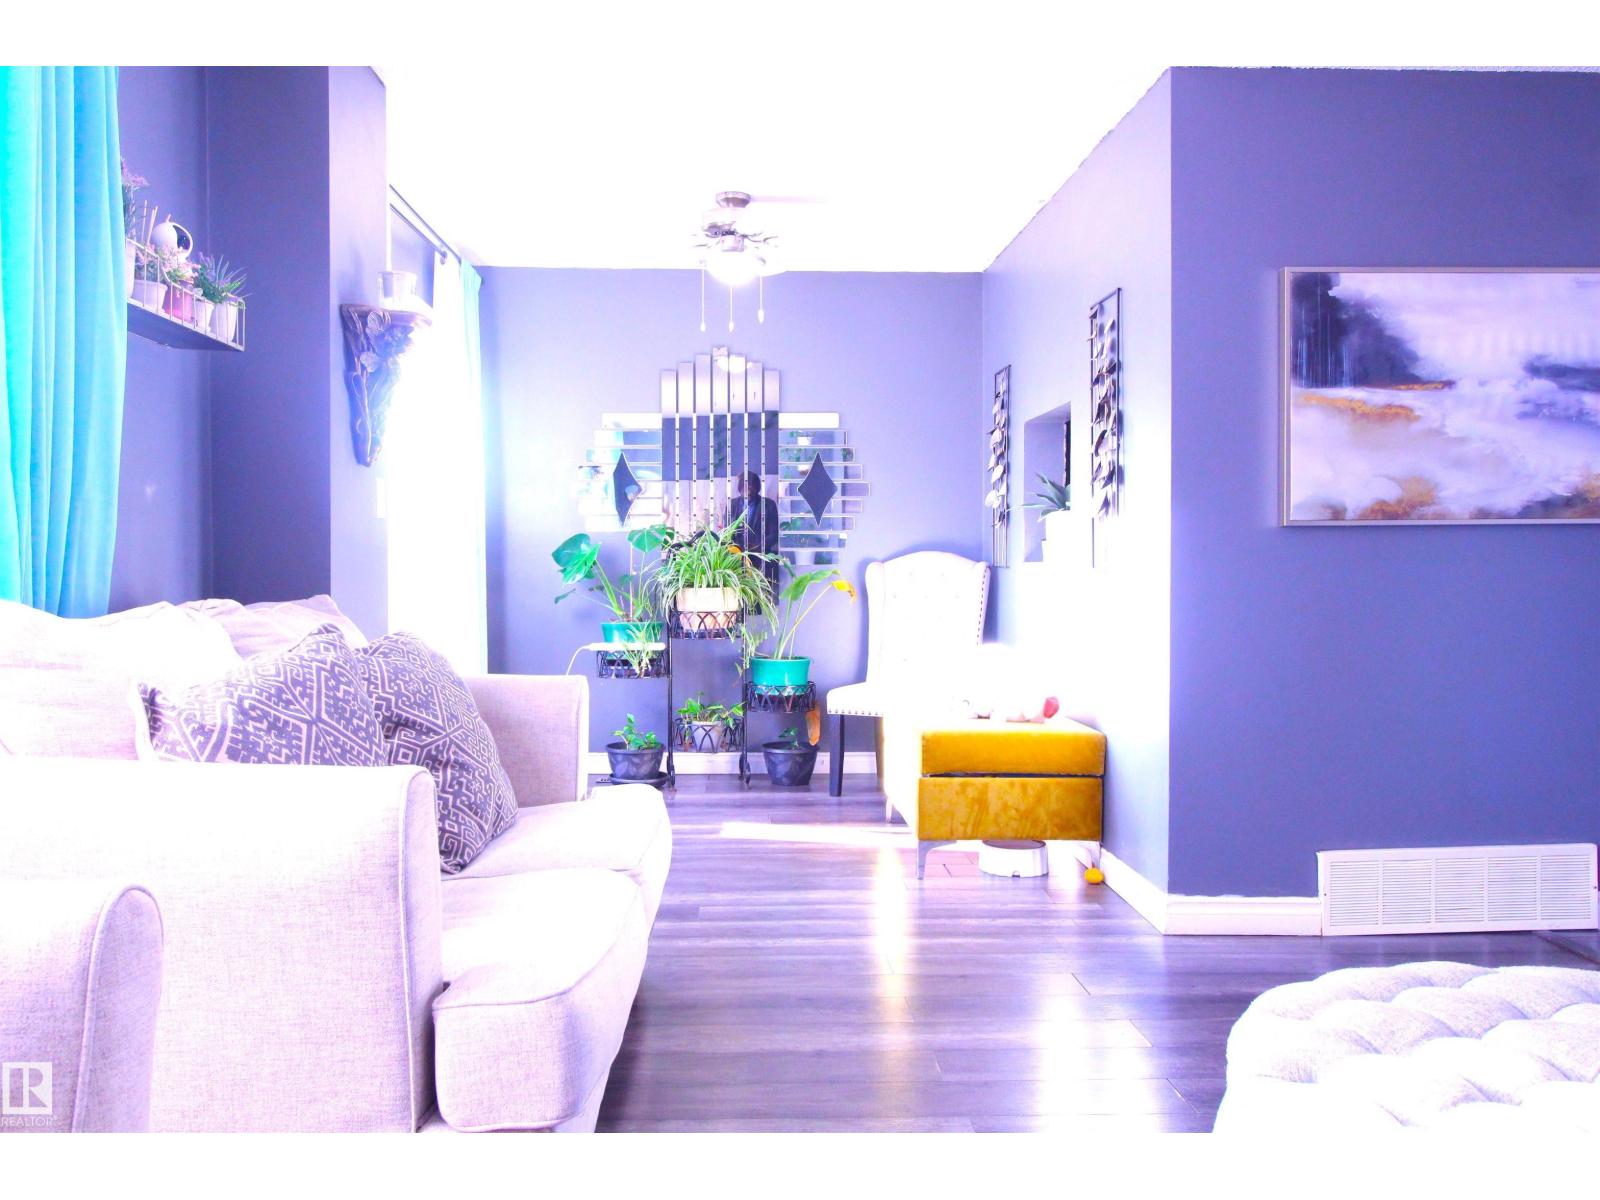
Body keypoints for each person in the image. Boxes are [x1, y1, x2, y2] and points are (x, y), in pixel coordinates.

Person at [730, 470, 780, 592]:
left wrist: (757, 547)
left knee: (760, 594)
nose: (748, 489)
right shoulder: (732, 505)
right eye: (745, 485)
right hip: (737, 560)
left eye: (751, 486)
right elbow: (728, 533)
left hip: (761, 561)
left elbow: (774, 535)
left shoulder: (768, 505)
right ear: (739, 487)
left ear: (757, 487)